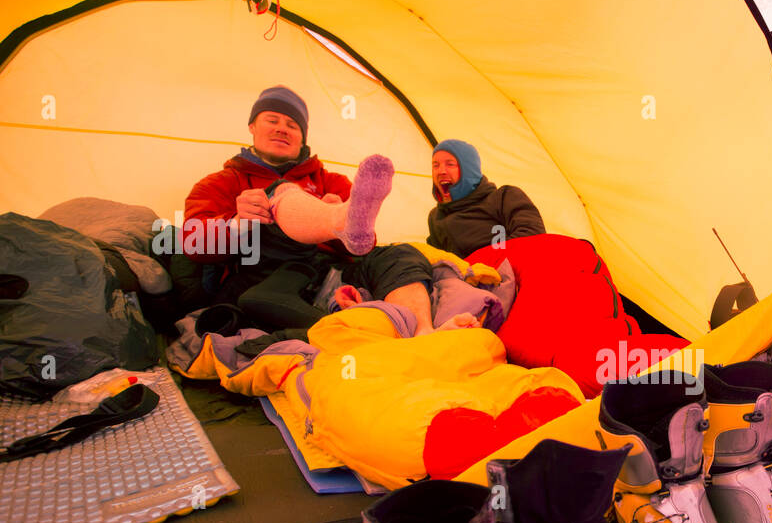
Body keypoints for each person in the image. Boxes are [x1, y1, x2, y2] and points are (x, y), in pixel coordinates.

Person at [182, 85, 462, 336]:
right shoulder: (221, 182)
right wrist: (239, 223)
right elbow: (193, 242)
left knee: (400, 254)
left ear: (302, 137)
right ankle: (337, 220)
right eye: (272, 120)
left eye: (292, 125)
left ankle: (423, 332)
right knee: (279, 191)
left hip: (327, 276)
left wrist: (332, 234)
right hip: (263, 277)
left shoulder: (331, 181)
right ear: (252, 127)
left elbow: (364, 245)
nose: (282, 128)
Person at [426, 139, 545, 257]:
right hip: (463, 275)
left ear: (469, 170)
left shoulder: (503, 197)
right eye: (435, 165)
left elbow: (532, 236)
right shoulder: (436, 217)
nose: (441, 171)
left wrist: (483, 262)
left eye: (450, 164)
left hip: (507, 269)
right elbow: (437, 261)